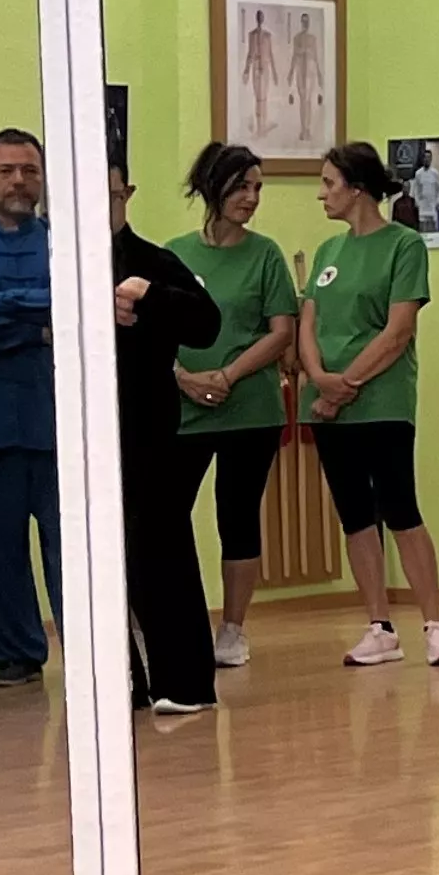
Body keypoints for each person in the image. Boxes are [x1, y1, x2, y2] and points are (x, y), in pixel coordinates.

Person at [298, 142, 439, 670]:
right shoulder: (326, 253)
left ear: (358, 189)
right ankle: (379, 627)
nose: (322, 194)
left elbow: (398, 329)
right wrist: (320, 379)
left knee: (400, 509)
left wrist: (348, 384)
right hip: (327, 405)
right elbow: (309, 325)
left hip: (380, 402)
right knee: (355, 516)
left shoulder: (403, 245)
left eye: (329, 184)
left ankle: (434, 624)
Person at [166, 142, 294, 670]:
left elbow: (281, 331)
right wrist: (184, 378)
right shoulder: (175, 255)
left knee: (237, 517)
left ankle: (233, 628)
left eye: (258, 189)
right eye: (242, 187)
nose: (251, 198)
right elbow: (154, 333)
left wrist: (228, 374)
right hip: (184, 406)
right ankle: (170, 620)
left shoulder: (265, 255)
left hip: (250, 409)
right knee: (166, 514)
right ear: (212, 188)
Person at [105, 162, 222, 714]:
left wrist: (150, 296)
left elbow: (206, 324)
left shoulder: (152, 261)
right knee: (91, 560)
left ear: (126, 193)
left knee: (160, 550)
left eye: (110, 193)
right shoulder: (49, 260)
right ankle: (116, 679)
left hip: (146, 432)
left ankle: (184, 681)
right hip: (73, 435)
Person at [0, 129, 59, 690]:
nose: (19, 181)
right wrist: (35, 325)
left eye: (29, 170)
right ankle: (17, 655)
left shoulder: (65, 243)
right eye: (5, 171)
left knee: (69, 550)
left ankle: (90, 649)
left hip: (57, 424)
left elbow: (73, 310)